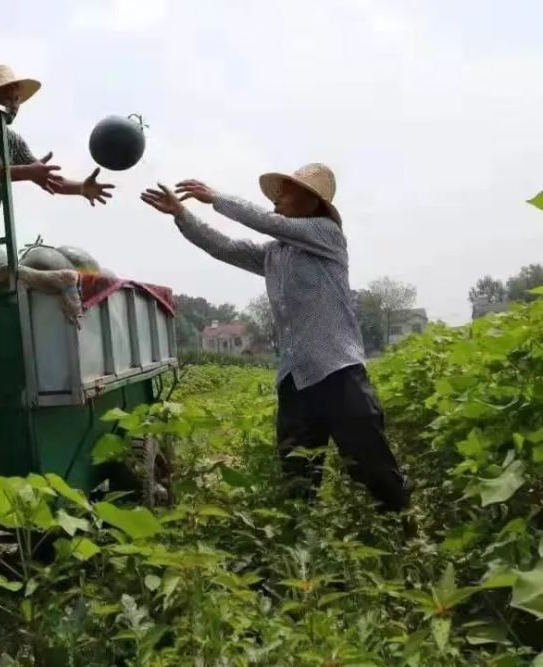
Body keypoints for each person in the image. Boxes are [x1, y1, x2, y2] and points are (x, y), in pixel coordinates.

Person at [140, 163, 409, 512]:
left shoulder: (326, 235)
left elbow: (268, 223)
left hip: (338, 372)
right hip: (295, 379)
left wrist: (216, 198)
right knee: (297, 477)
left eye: (287, 192)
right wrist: (182, 214)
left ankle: (403, 528)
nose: (278, 199)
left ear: (312, 204)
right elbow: (224, 247)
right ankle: (300, 546)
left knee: (373, 467)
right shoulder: (275, 254)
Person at [0, 64, 115, 247]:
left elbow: (45, 178)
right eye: (7, 99)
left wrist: (81, 188)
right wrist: (28, 172)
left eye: (16, 99)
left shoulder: (11, 141)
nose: (14, 106)